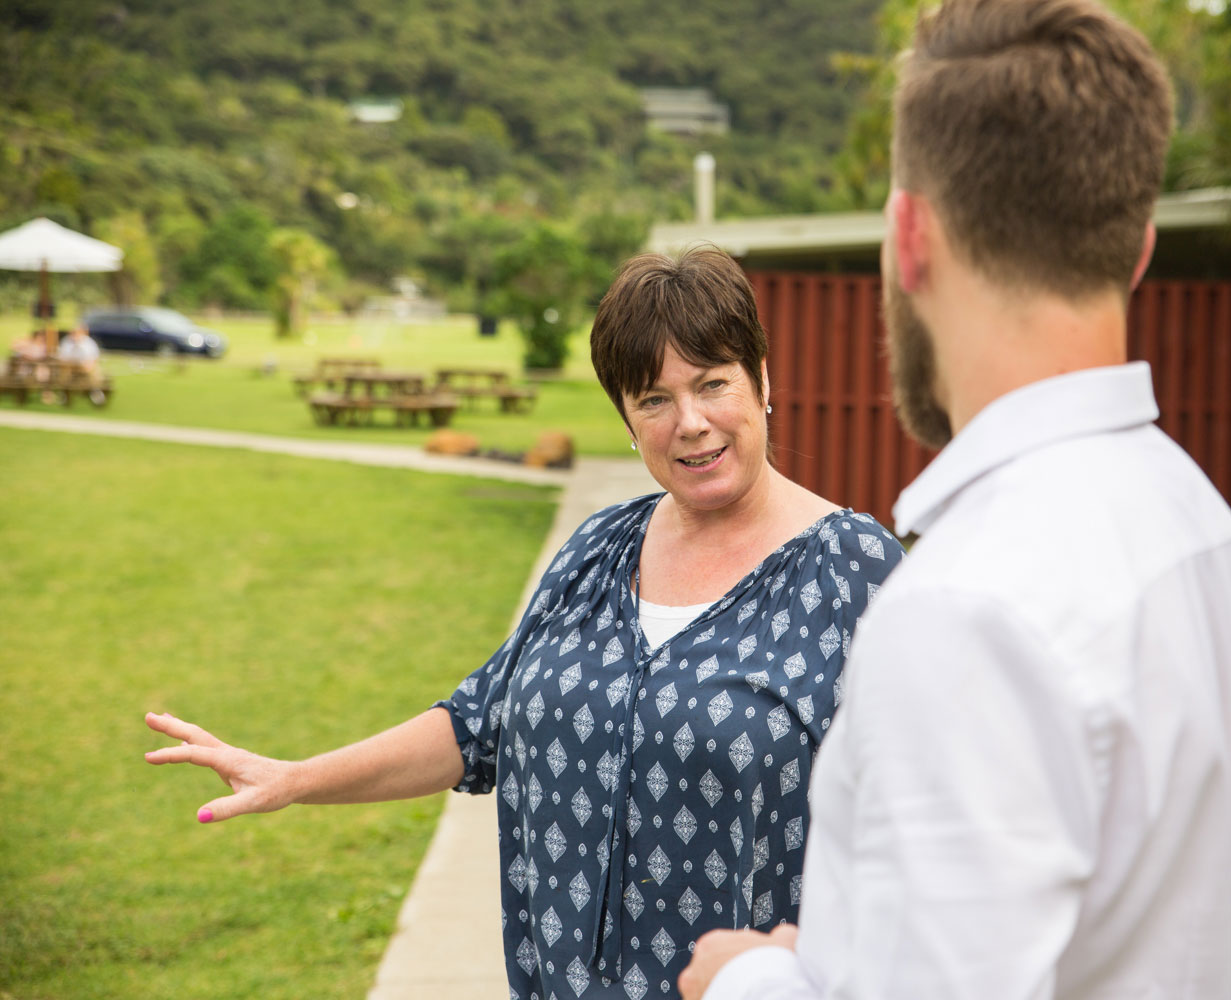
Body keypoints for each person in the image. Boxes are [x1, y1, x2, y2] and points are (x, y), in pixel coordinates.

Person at [679, 2, 1231, 999]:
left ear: (908, 235)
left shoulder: (969, 607)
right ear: (1137, 248)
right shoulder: (1204, 529)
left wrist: (745, 979)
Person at [144, 245, 905, 999]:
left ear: (763, 382)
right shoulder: (599, 549)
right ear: (625, 417)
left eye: (713, 384)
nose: (691, 423)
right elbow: (478, 725)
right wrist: (294, 778)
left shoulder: (854, 572)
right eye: (653, 399)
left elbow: (922, 832)